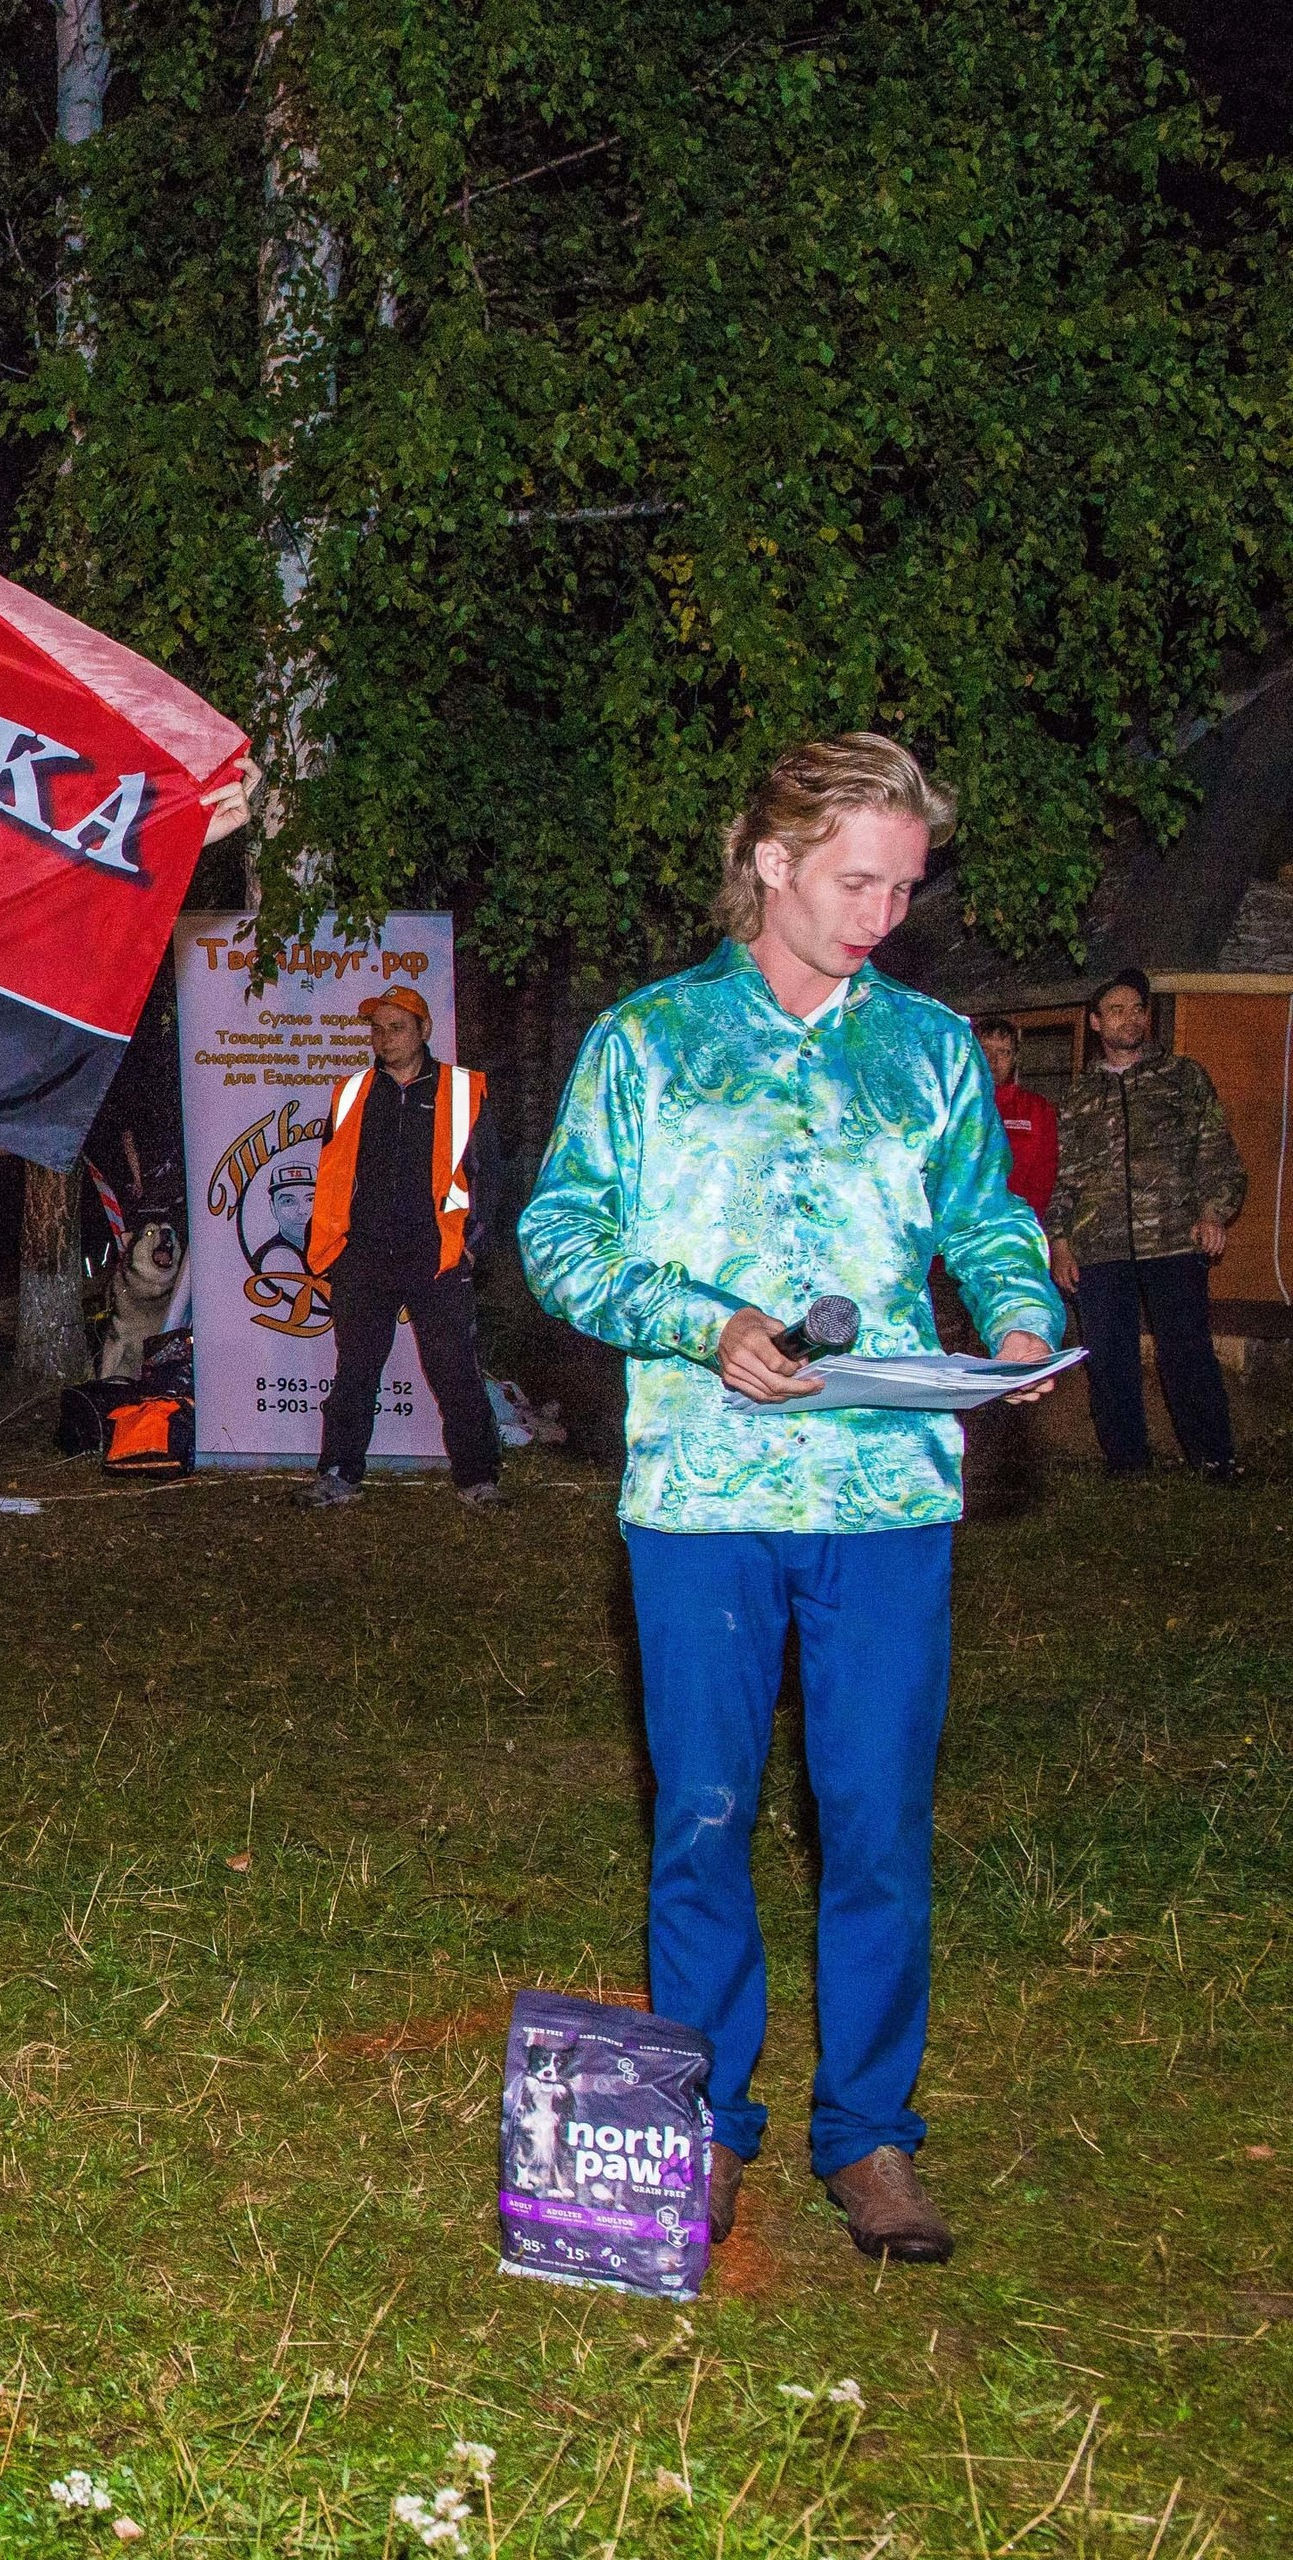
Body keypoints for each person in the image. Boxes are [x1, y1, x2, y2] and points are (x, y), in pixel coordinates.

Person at [521, 733, 1063, 2267]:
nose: (883, 912)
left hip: (888, 1495)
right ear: (770, 862)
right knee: (703, 1820)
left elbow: (987, 1215)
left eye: (903, 886)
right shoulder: (645, 1044)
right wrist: (705, 1321)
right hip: (699, 1496)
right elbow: (561, 1238)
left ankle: (872, 2136)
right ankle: (698, 2121)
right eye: (854, 880)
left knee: (877, 1821)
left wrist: (1014, 1320)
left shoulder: (935, 1047)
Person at [295, 985, 503, 1508]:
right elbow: (333, 1175)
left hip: (435, 1256)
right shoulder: (352, 1092)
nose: (384, 1038)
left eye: (397, 1027)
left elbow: (489, 1177)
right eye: (377, 1028)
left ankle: (478, 1479)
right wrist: (332, 1247)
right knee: (355, 1371)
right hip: (363, 1256)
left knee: (454, 1368)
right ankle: (339, 1474)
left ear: (424, 1031)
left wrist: (472, 1246)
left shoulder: (463, 1089)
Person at [1045, 969, 1245, 1483]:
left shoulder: (1183, 1077)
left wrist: (1212, 1211)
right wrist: (1060, 1240)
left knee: (1187, 1354)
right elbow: (1063, 1174)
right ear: (1094, 1022)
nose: (1130, 1018)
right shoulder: (1078, 1095)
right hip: (1099, 1249)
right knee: (1110, 1359)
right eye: (1117, 1010)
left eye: (1138, 1008)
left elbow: (1216, 1150)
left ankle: (1214, 1457)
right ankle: (1126, 1462)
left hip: (1174, 1241)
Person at [973, 1016, 1057, 1223]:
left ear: (1015, 1059)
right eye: (985, 1050)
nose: (993, 1060)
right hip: (955, 1238)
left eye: (1004, 1052)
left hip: (1012, 1232)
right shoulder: (949, 1107)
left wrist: (1017, 1224)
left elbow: (1044, 1177)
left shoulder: (1036, 1110)